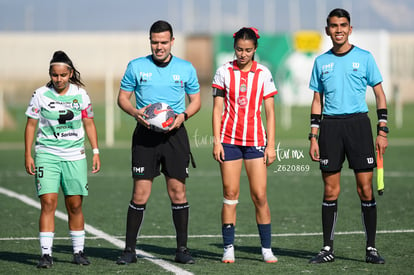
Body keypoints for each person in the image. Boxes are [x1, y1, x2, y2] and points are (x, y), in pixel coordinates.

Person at [116, 20, 201, 265]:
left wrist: (183, 115)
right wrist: (135, 112)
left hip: (175, 136)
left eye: (164, 42)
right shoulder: (136, 66)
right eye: (155, 42)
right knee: (140, 193)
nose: (159, 47)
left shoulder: (185, 68)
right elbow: (122, 98)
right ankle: (129, 250)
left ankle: (182, 249)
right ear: (150, 41)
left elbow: (196, 101)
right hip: (145, 136)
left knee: (178, 192)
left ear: (172, 42)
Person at [308, 8, 388, 264]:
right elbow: (317, 100)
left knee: (365, 189)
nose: (339, 29)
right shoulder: (321, 62)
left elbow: (379, 94)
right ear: (327, 30)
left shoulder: (365, 57)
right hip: (330, 128)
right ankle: (327, 248)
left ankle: (371, 249)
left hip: (358, 126)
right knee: (330, 191)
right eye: (334, 25)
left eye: (343, 25)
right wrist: (313, 135)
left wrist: (382, 130)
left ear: (350, 29)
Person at [24, 50, 101, 268]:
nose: (59, 79)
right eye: (54, 75)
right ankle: (46, 254)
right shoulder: (39, 94)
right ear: (50, 74)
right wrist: (28, 153)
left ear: (70, 74)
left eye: (63, 75)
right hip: (46, 154)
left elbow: (89, 123)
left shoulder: (81, 95)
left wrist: (95, 151)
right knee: (48, 202)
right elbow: (31, 125)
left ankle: (78, 252)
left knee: (75, 205)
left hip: (75, 155)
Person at [212, 27, 278, 263]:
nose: (243, 54)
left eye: (248, 50)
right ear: (234, 47)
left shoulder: (263, 74)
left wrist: (271, 146)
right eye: (239, 49)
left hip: (256, 143)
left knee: (259, 195)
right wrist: (216, 141)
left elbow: (270, 112)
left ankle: (266, 249)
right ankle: (228, 247)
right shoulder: (223, 72)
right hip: (229, 142)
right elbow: (217, 109)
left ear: (255, 49)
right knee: (230, 194)